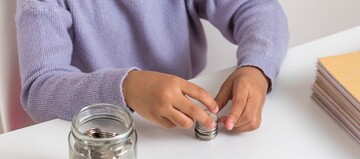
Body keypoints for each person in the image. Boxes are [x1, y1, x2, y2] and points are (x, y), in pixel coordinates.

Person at [16, 0, 288, 132]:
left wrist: (257, 68)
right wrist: (127, 87)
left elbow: (257, 8)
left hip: (181, 128)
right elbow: (40, 88)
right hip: (96, 134)